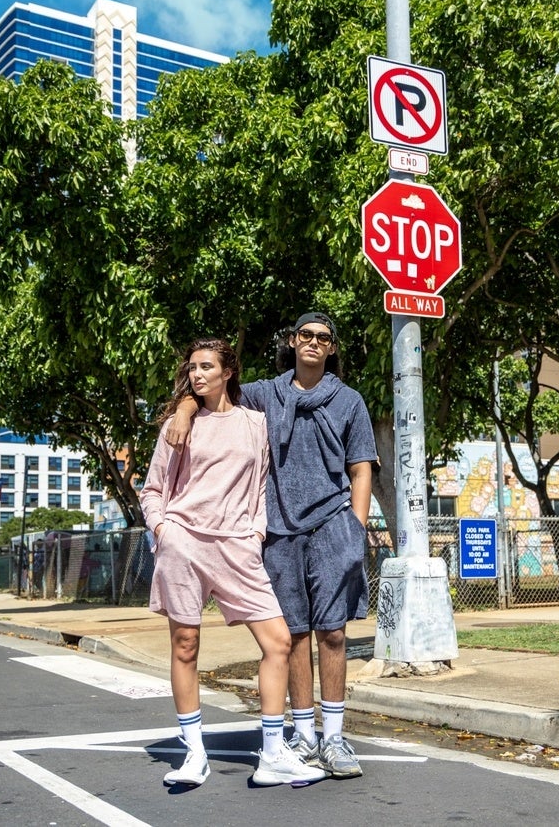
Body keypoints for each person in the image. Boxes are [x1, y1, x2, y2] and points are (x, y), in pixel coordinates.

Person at [168, 315, 377, 779]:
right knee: (294, 634)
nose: (314, 342)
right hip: (278, 532)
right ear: (292, 341)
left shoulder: (349, 401)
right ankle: (302, 736)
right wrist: (183, 410)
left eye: (323, 337)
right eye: (306, 335)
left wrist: (355, 529)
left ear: (332, 348)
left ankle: (334, 737)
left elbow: (361, 467)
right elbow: (214, 385)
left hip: (332, 525)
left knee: (334, 633)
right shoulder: (267, 393)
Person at [140, 337, 325, 789]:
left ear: (228, 372)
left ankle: (273, 755)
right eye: (192, 368)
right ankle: (194, 754)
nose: (197, 374)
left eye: (206, 367)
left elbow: (260, 486)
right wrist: (164, 531)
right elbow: (153, 490)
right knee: (185, 645)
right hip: (184, 543)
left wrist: (255, 534)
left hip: (238, 547)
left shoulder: (254, 422)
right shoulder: (179, 425)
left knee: (278, 641)